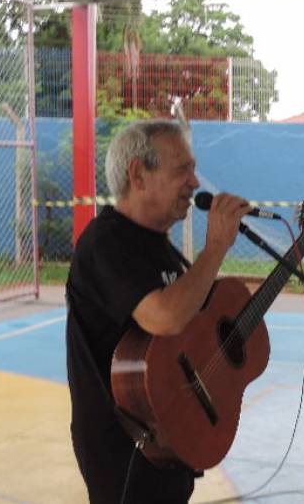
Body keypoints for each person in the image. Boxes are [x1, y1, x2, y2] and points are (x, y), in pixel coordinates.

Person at [65, 119, 252, 503]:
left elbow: (191, 332)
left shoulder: (164, 251)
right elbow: (164, 318)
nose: (196, 182)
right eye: (182, 169)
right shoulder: (106, 243)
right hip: (124, 450)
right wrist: (215, 247)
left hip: (169, 437)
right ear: (139, 174)